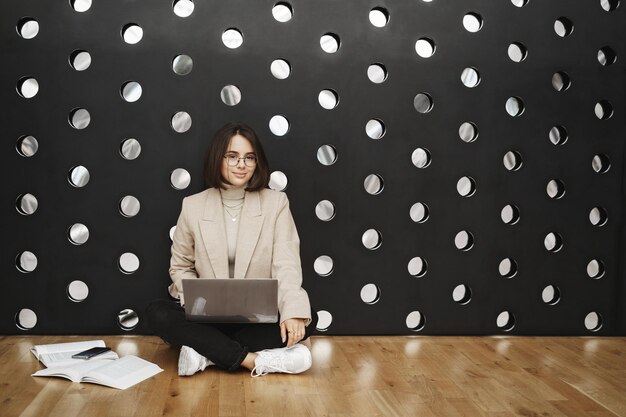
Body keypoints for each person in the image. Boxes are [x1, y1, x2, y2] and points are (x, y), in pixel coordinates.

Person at [146, 122, 317, 377]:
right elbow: (181, 266)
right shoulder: (193, 205)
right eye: (232, 156)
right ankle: (252, 360)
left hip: (256, 318)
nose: (242, 165)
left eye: (249, 158)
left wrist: (292, 313)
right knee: (157, 312)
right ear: (218, 158)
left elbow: (287, 264)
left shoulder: (276, 203)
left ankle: (206, 353)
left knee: (306, 316)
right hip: (207, 317)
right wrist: (196, 300)